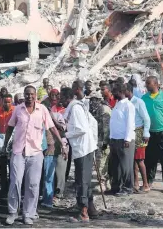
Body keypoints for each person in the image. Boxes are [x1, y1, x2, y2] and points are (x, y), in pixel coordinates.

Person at [3, 85, 65, 225]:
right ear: (24, 95)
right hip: (19, 151)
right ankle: (13, 212)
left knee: (33, 184)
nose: (29, 96)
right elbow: (10, 127)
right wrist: (4, 144)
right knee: (15, 182)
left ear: (36, 95)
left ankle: (28, 214)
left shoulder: (42, 109)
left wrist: (62, 143)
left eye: (32, 94)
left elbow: (52, 127)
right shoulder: (18, 109)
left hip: (36, 153)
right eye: (27, 94)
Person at [63, 80, 98, 222]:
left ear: (67, 98)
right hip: (85, 148)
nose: (60, 102)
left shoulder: (76, 108)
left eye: (61, 99)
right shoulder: (78, 106)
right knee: (84, 180)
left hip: (83, 149)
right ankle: (90, 208)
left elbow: (81, 129)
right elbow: (93, 124)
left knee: (82, 181)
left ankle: (84, 212)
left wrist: (66, 134)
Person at [142, 76, 163, 193]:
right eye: (146, 83)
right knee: (150, 158)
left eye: (149, 83)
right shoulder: (144, 98)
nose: (146, 85)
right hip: (149, 132)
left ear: (156, 84)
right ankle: (150, 181)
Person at [108, 83, 136, 196]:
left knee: (126, 166)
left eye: (115, 92)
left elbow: (130, 123)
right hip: (115, 139)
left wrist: (127, 139)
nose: (113, 94)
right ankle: (116, 187)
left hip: (125, 140)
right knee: (115, 166)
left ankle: (128, 188)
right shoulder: (117, 104)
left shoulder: (128, 105)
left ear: (122, 92)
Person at [125, 83, 151, 193]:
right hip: (131, 132)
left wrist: (146, 133)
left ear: (128, 91)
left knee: (140, 159)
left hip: (139, 132)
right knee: (133, 160)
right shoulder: (126, 103)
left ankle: (145, 184)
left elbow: (146, 118)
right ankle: (136, 183)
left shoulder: (138, 102)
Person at [88, 91, 111, 191]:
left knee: (102, 161)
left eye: (94, 99)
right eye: (91, 99)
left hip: (103, 140)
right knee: (99, 161)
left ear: (98, 100)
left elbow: (106, 127)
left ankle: (103, 182)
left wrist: (105, 142)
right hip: (97, 139)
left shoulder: (104, 109)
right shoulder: (94, 109)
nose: (92, 101)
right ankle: (103, 181)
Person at [0, 94, 14, 195]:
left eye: (9, 102)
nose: (7, 104)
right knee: (1, 166)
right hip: (1, 141)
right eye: (5, 102)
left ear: (12, 102)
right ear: (2, 102)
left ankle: (12, 187)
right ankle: (3, 188)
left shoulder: (15, 110)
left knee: (12, 166)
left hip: (12, 141)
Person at [54, 87, 73, 201]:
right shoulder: (51, 109)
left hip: (64, 141)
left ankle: (59, 192)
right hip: (53, 143)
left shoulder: (69, 109)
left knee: (61, 168)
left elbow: (63, 128)